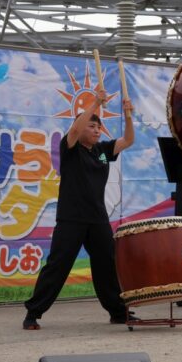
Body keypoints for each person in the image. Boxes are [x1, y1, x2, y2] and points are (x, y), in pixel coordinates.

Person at [23, 88, 134, 330]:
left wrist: (127, 115)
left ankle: (118, 311)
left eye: (98, 127)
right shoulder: (70, 149)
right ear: (81, 128)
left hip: (97, 219)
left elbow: (128, 140)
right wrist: (95, 103)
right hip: (71, 218)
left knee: (107, 263)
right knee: (58, 264)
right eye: (91, 126)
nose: (96, 130)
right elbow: (74, 129)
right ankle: (33, 312)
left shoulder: (103, 153)